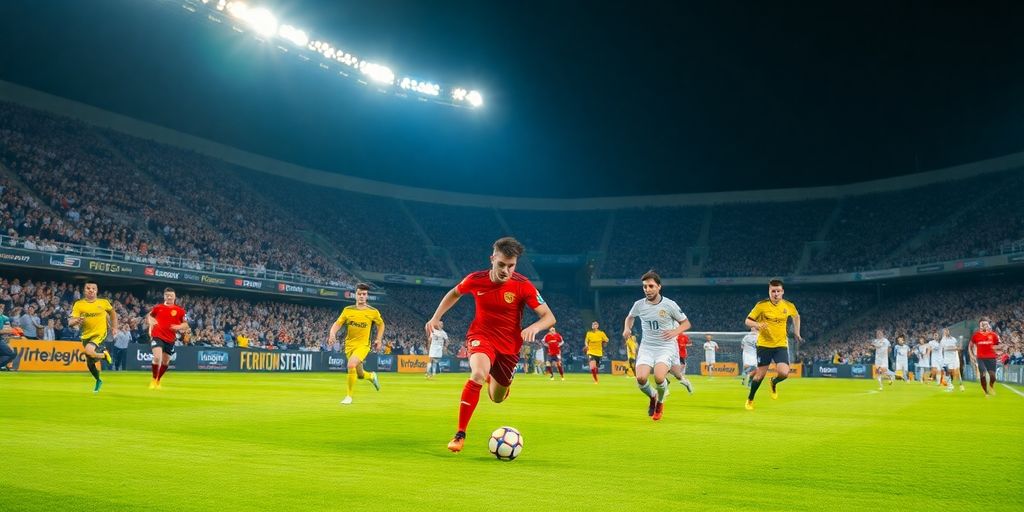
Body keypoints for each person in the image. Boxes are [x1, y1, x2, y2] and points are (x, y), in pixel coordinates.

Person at [425, 237, 555, 452]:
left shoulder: (523, 286)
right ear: (492, 259)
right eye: (501, 264)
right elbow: (455, 293)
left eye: (511, 266)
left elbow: (549, 317)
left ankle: (494, 379)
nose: (506, 270)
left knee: (497, 398)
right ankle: (460, 434)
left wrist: (535, 327)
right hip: (481, 336)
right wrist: (436, 317)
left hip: (509, 347)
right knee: (476, 374)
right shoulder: (476, 279)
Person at [622, 270, 691, 421]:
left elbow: (686, 323)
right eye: (645, 287)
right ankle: (653, 395)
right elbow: (630, 317)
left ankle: (660, 403)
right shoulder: (639, 305)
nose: (647, 289)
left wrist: (675, 331)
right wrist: (627, 328)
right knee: (640, 378)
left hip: (665, 346)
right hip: (647, 346)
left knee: (659, 377)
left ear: (659, 287)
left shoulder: (669, 304)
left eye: (651, 286)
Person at [744, 279, 801, 410]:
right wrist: (757, 324)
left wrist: (797, 332)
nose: (775, 294)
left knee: (784, 373)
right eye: (773, 291)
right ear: (769, 292)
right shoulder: (761, 306)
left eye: (778, 291)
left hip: (780, 344)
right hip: (764, 345)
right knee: (759, 376)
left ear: (782, 292)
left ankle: (773, 382)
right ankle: (750, 399)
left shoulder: (788, 305)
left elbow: (796, 316)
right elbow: (747, 321)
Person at [327, 283, 384, 405]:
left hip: (363, 345)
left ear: (367, 296)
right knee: (360, 375)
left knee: (351, 365)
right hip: (349, 345)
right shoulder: (347, 310)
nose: (362, 296)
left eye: (364, 294)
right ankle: (372, 376)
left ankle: (348, 397)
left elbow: (381, 324)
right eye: (359, 294)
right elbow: (338, 323)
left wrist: (379, 339)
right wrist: (332, 334)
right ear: (355, 295)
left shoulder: (373, 312)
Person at [68, 282, 115, 392]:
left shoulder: (103, 303)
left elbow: (113, 313)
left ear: (96, 291)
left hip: (100, 333)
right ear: (84, 291)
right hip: (86, 335)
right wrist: (76, 321)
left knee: (89, 351)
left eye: (93, 288)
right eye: (88, 288)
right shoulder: (79, 304)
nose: (91, 290)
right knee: (90, 362)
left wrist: (114, 327)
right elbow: (70, 322)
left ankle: (104, 356)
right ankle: (98, 379)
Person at [146, 288, 189, 389]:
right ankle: (153, 380)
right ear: (164, 296)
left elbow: (186, 325)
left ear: (174, 297)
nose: (169, 297)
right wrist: (150, 321)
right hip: (157, 335)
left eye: (171, 295)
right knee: (157, 358)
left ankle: (158, 380)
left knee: (165, 362)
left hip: (170, 339)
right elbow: (150, 316)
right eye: (167, 295)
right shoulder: (158, 307)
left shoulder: (180, 311)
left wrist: (178, 327)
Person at [969, 318, 1001, 397]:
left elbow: (998, 345)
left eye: (986, 324)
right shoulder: (976, 335)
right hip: (981, 358)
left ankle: (991, 386)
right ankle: (985, 391)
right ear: (980, 325)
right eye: (982, 324)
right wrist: (972, 355)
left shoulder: (993, 335)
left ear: (988, 325)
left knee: (993, 376)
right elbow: (970, 346)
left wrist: (999, 350)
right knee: (983, 374)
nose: (984, 325)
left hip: (991, 358)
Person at [0, 304, 17, 371]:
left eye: (1, 308)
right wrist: (4, 331)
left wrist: (3, 331)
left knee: (11, 354)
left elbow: (9, 330)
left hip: (1, 339)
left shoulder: (5, 318)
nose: (1, 309)